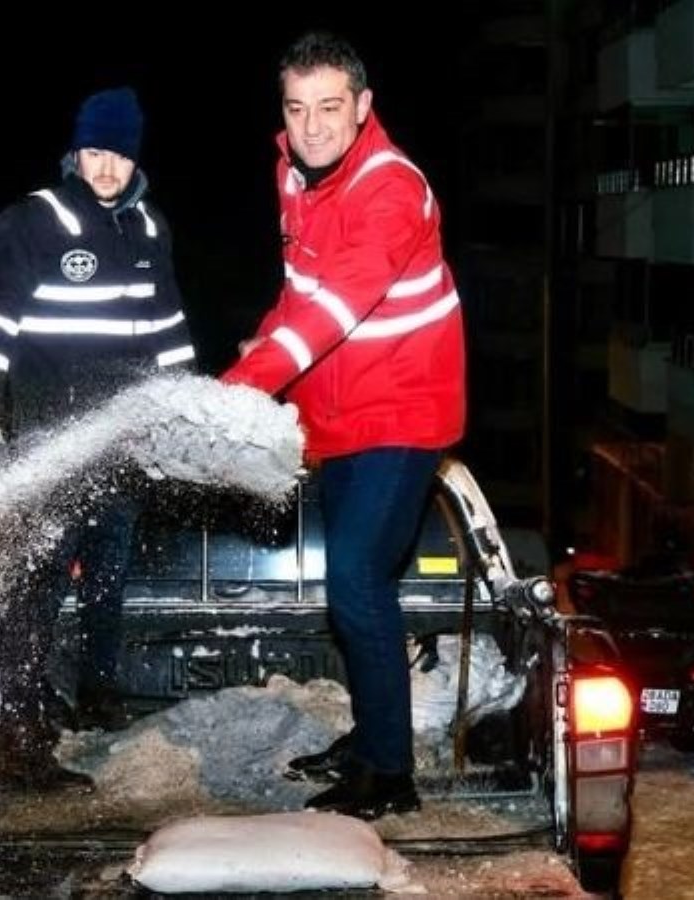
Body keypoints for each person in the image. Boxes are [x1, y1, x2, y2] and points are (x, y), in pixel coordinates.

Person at [221, 32, 467, 820]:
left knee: (357, 583)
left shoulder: (392, 190)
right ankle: (370, 741)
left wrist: (240, 390)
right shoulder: (293, 174)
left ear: (363, 107)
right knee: (355, 591)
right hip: (339, 414)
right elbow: (299, 291)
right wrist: (260, 347)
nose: (313, 125)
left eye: (331, 107)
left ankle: (389, 775)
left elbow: (334, 309)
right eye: (297, 109)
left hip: (404, 410)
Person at [0, 86, 196, 786]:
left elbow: (169, 334)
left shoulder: (150, 229)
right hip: (46, 441)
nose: (105, 170)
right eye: (94, 153)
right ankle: (19, 744)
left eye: (118, 156)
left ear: (136, 159)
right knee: (33, 589)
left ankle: (96, 694)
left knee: (107, 576)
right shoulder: (35, 221)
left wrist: (191, 420)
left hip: (116, 446)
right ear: (75, 151)